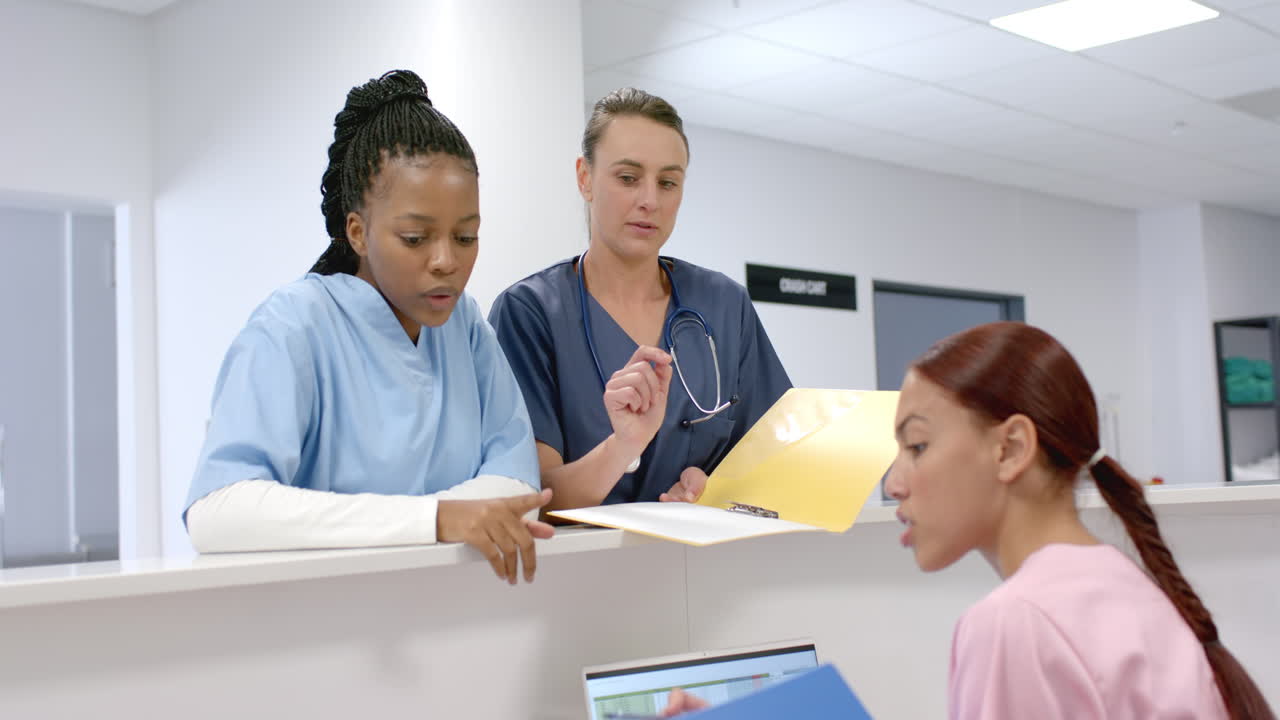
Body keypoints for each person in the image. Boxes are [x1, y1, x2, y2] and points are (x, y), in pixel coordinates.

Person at [663, 322, 1274, 719]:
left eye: (919, 446)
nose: (893, 480)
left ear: (1010, 448)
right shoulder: (1120, 583)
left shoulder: (1016, 623)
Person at [184, 70, 554, 586]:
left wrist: (445, 519)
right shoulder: (294, 325)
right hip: (320, 627)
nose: (446, 261)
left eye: (466, 237)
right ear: (357, 231)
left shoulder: (463, 325)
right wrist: (437, 519)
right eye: (414, 237)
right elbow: (218, 511)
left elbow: (517, 488)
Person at [488, 88, 791, 513]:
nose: (650, 200)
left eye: (668, 182)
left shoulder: (724, 304)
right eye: (628, 178)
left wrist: (712, 487)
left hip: (706, 564)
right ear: (585, 177)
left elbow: (776, 460)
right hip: (582, 568)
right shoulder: (530, 312)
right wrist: (623, 446)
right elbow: (532, 497)